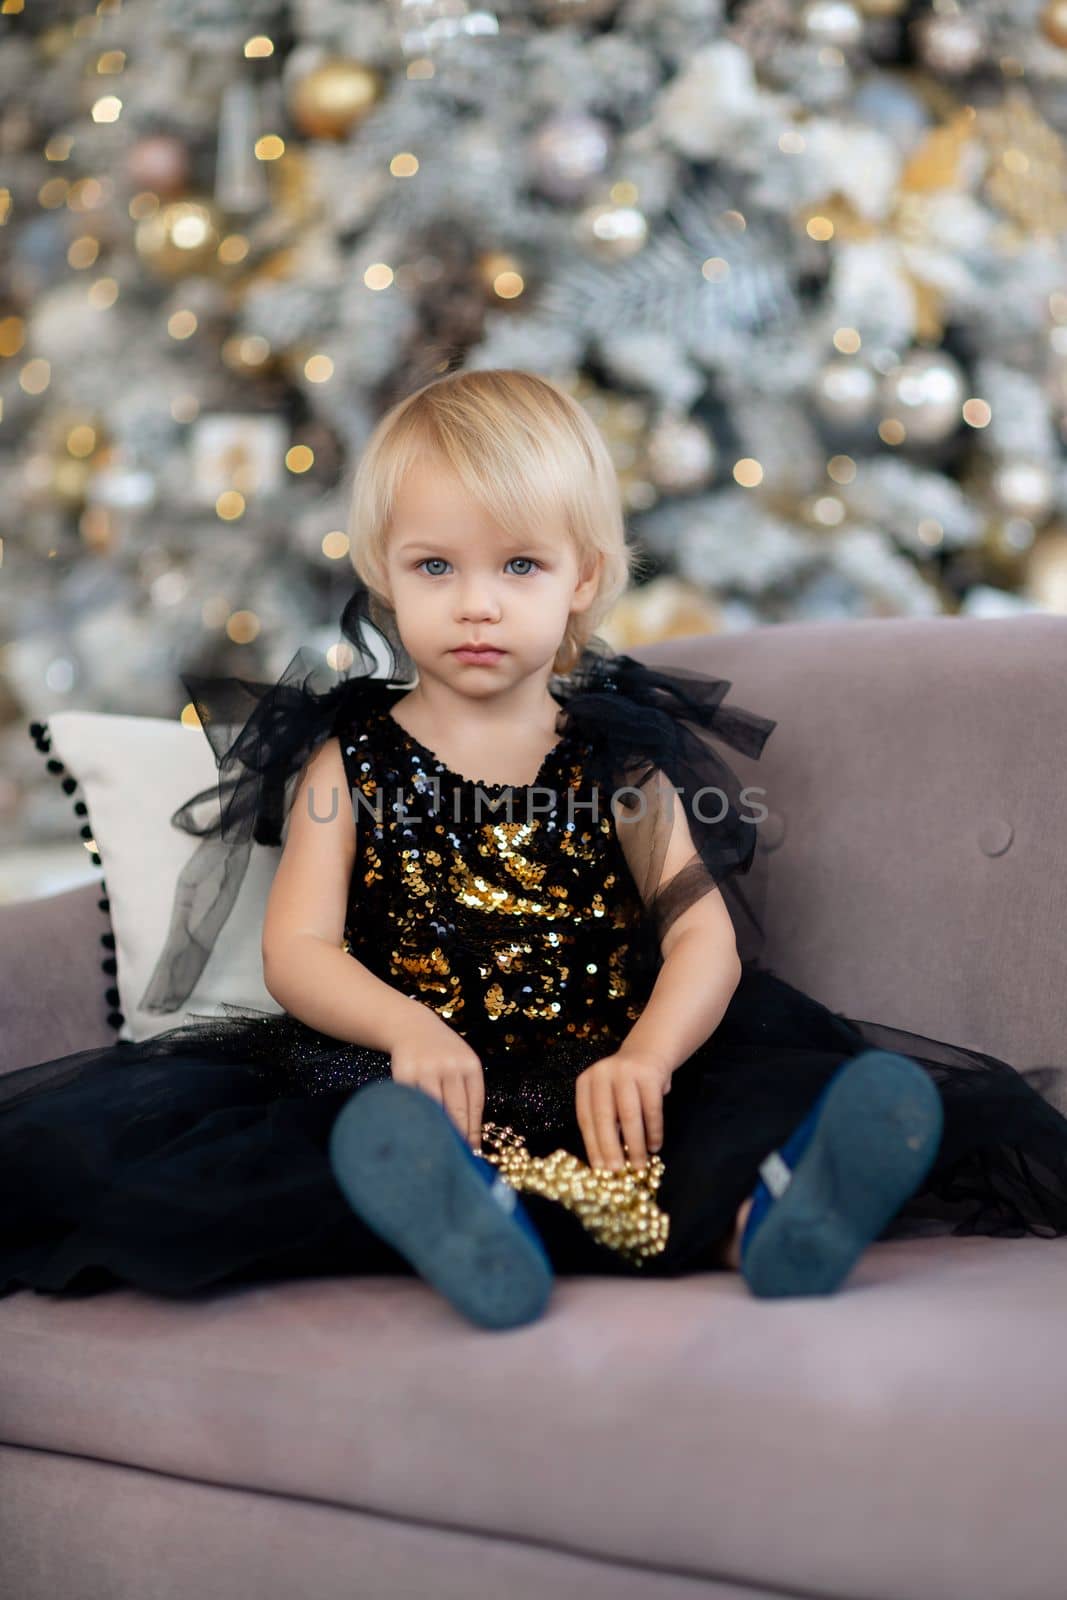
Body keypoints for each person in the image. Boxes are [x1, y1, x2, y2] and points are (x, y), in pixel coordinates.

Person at [4, 369, 1067, 1330]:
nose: (475, 601)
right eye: (436, 565)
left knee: (711, 1117)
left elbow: (701, 936)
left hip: (606, 1059)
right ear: (385, 574)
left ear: (580, 579)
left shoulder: (616, 754)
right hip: (412, 1066)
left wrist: (646, 1053)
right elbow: (302, 950)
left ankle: (776, 1222)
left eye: (518, 564)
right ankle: (470, 1223)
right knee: (346, 1143)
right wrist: (407, 1029)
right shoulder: (351, 757)